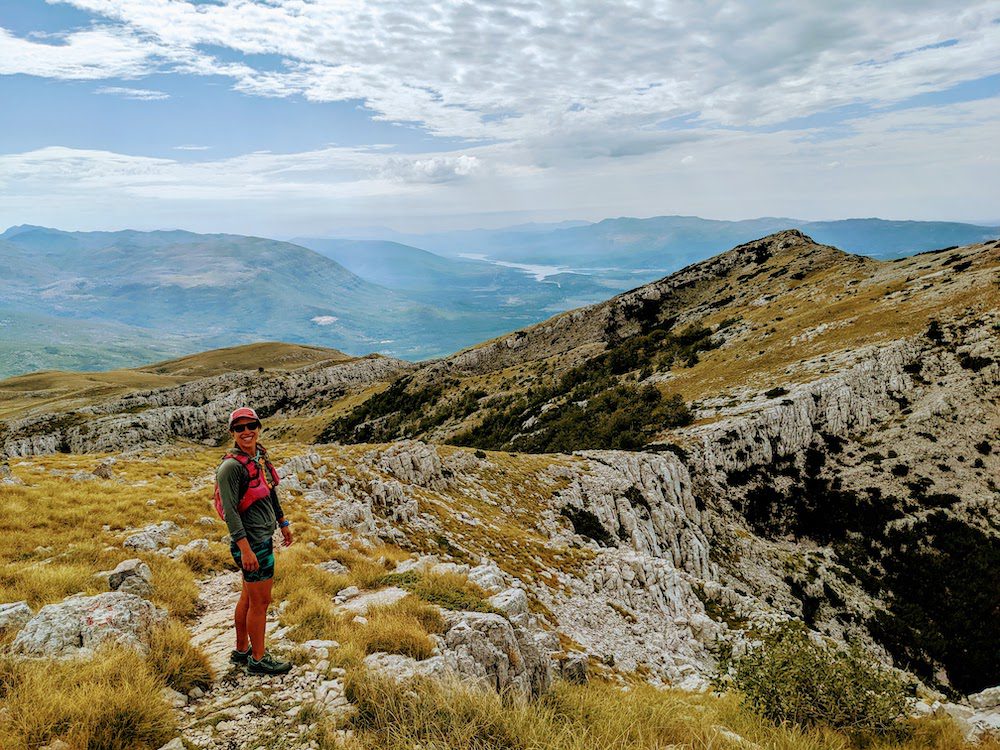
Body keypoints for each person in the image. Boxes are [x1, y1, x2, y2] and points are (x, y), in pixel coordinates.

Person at [215, 406, 294, 675]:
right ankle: (258, 660)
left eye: (251, 426)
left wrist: (282, 522)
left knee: (248, 597)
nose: (246, 432)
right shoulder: (230, 468)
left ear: (258, 427)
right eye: (240, 428)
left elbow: (270, 491)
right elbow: (230, 513)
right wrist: (245, 549)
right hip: (252, 543)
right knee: (261, 603)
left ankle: (241, 651)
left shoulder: (259, 456)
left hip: (262, 536)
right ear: (232, 432)